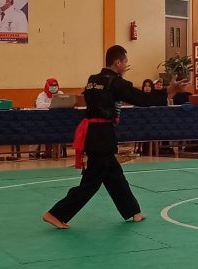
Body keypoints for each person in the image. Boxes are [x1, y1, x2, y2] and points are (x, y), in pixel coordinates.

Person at [42, 45, 181, 229]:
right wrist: (169, 90)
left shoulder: (93, 80)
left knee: (114, 175)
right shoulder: (116, 83)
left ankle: (133, 211)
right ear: (117, 62)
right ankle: (56, 214)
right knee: (91, 182)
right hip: (102, 135)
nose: (126, 65)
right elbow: (142, 99)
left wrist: (120, 78)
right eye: (125, 62)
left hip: (94, 132)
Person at [31, 78, 64, 159]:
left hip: (57, 121)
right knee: (36, 130)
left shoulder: (60, 93)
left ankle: (57, 152)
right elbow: (39, 105)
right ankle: (33, 153)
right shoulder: (42, 95)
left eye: (55, 86)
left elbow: (64, 103)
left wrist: (51, 104)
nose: (54, 88)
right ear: (47, 86)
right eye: (52, 86)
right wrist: (53, 104)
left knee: (61, 129)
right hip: (43, 121)